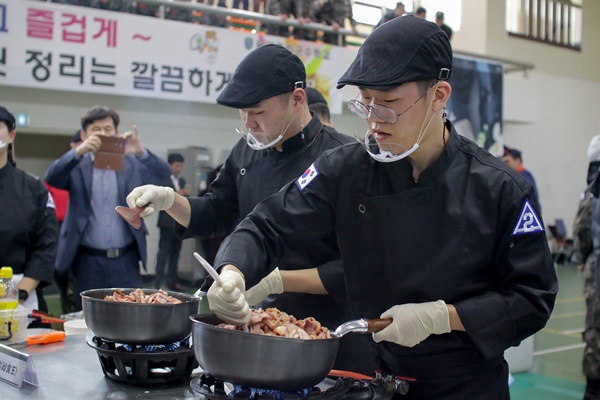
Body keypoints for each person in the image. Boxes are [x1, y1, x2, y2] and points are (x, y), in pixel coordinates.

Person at [200, 16, 557, 398]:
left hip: (462, 384)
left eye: (388, 105)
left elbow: (531, 297)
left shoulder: (500, 188)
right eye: (364, 103)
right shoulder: (346, 169)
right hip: (370, 376)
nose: (372, 120)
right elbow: (268, 223)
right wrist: (233, 271)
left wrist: (443, 318)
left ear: (438, 96)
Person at [126, 44, 378, 375]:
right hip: (259, 327)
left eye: (258, 113)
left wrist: (277, 281)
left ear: (297, 99)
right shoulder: (247, 152)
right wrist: (169, 201)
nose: (249, 125)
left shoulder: (341, 158)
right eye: (242, 113)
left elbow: (358, 268)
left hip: (328, 334)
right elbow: (219, 212)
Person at [45, 105, 171, 309]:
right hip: (87, 261)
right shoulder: (77, 165)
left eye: (108, 129)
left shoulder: (131, 164)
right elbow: (52, 177)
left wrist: (139, 151)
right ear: (85, 134)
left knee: (131, 315)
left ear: (116, 132)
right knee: (88, 318)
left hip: (126, 259)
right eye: (96, 130)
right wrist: (78, 152)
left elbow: (164, 176)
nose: (103, 134)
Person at [0, 106, 58, 322]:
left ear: (11, 134)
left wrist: (19, 293)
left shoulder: (33, 188)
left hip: (21, 297)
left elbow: (47, 244)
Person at [47, 130, 82, 315]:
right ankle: (66, 311)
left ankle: (70, 306)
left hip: (77, 230)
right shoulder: (62, 172)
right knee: (61, 274)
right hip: (58, 228)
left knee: (73, 280)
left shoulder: (85, 174)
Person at [580, 135, 600, 399]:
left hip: (597, 269)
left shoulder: (593, 191)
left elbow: (582, 225)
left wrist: (581, 257)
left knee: (595, 331)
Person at [155, 152, 189, 291]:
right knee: (164, 252)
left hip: (179, 222)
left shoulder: (181, 181)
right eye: (177, 166)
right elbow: (161, 198)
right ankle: (159, 283)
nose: (179, 169)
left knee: (176, 252)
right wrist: (179, 194)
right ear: (170, 165)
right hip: (166, 222)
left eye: (181, 166)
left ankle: (172, 281)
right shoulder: (163, 180)